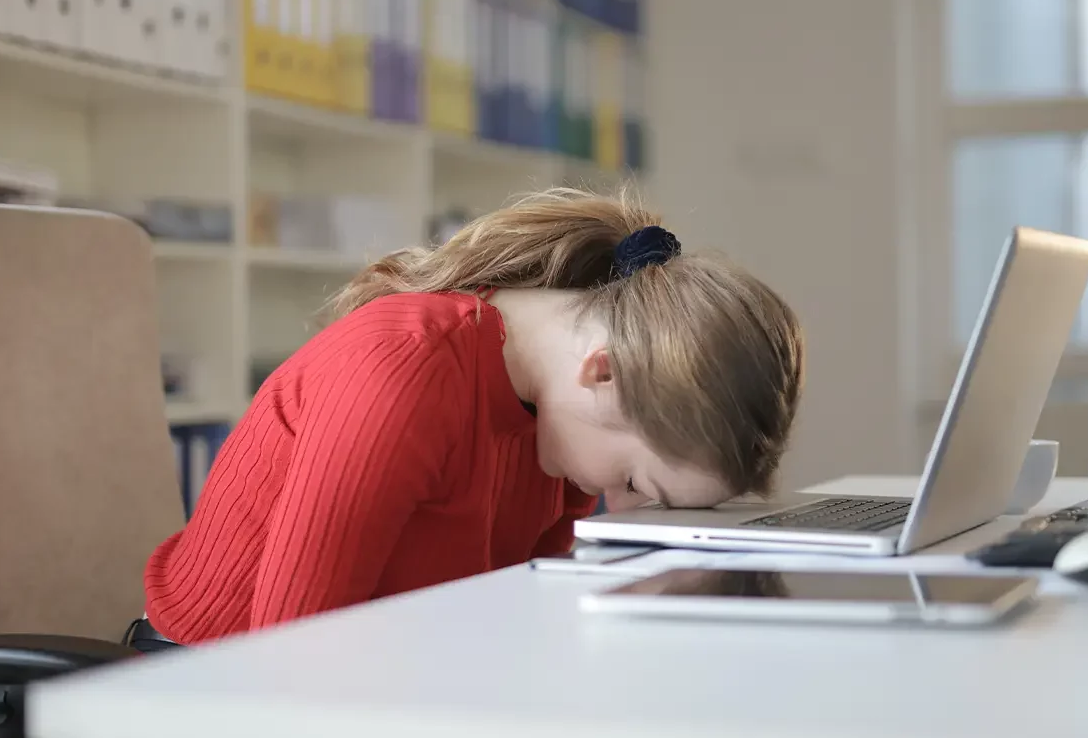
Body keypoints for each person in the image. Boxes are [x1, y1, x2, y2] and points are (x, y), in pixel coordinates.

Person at [138, 187, 805, 646]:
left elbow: (512, 623)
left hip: (387, 673)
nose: (622, 511)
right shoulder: (402, 370)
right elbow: (290, 662)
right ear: (603, 372)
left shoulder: (561, 425)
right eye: (637, 484)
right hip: (207, 683)